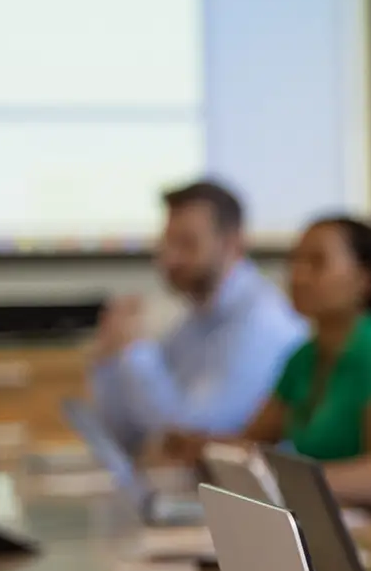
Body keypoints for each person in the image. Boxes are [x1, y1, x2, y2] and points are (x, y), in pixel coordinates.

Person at [172, 216, 371, 509]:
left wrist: (295, 484)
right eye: (295, 261)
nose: (298, 275)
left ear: (363, 279)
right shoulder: (304, 357)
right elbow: (251, 444)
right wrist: (199, 447)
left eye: (317, 263)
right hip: (328, 517)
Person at [89, 179, 306, 456]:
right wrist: (109, 360)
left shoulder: (261, 322)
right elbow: (128, 436)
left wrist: (133, 351)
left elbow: (191, 436)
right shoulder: (194, 321)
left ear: (232, 243)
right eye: (167, 243)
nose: (170, 259)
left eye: (187, 244)